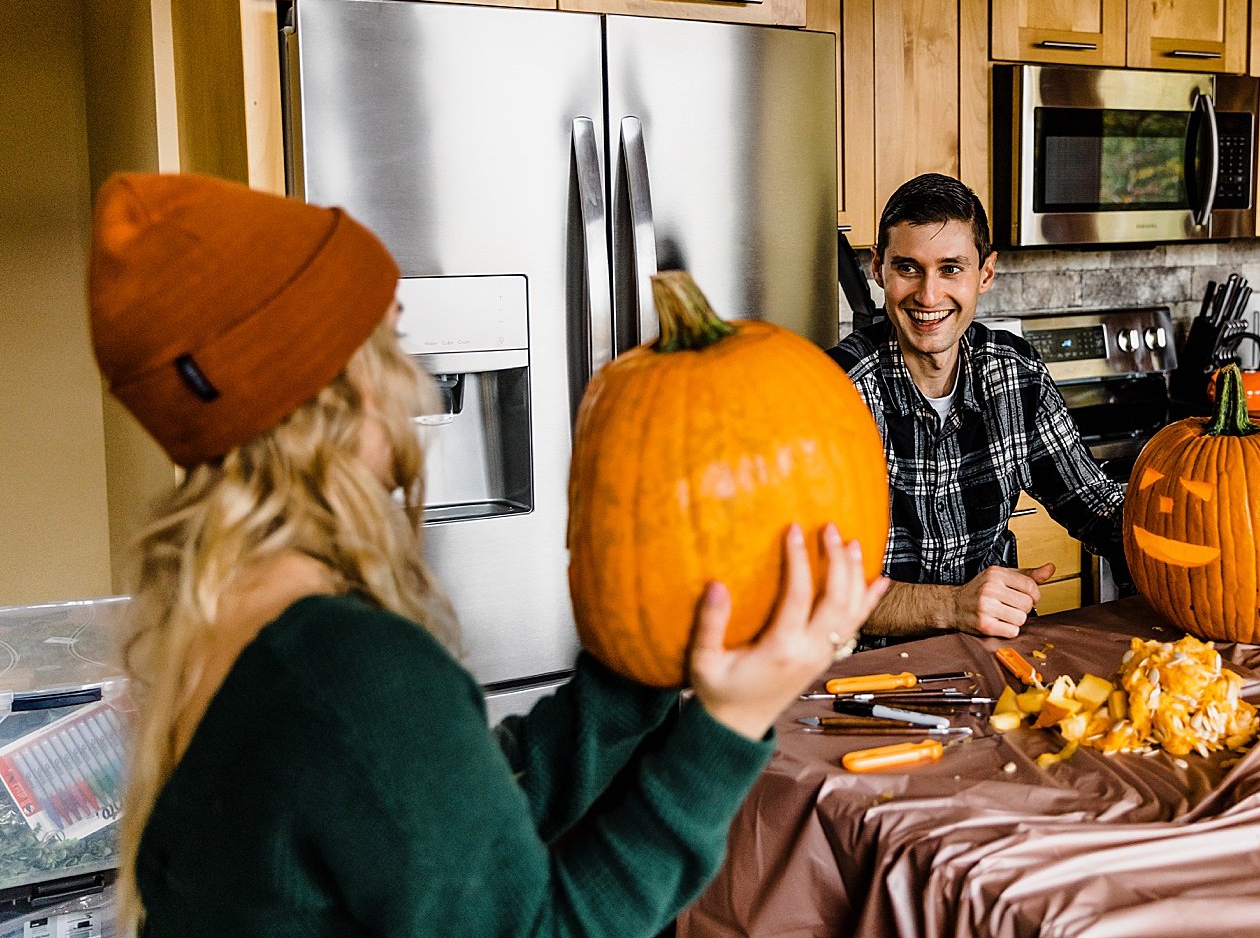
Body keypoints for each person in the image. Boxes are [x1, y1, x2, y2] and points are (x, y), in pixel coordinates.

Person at [89, 173, 885, 937]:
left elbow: (456, 815)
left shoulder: (223, 616)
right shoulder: (348, 667)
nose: (413, 383)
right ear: (341, 385)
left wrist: (639, 677)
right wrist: (729, 726)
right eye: (390, 342)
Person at [828, 173, 1124, 643]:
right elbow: (813, 595)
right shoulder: (832, 395)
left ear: (985, 274)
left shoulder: (1014, 374)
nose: (928, 296)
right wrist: (951, 605)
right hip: (868, 676)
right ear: (878, 269)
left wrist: (1198, 537)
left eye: (950, 269)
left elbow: (1098, 508)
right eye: (909, 268)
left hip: (993, 656)